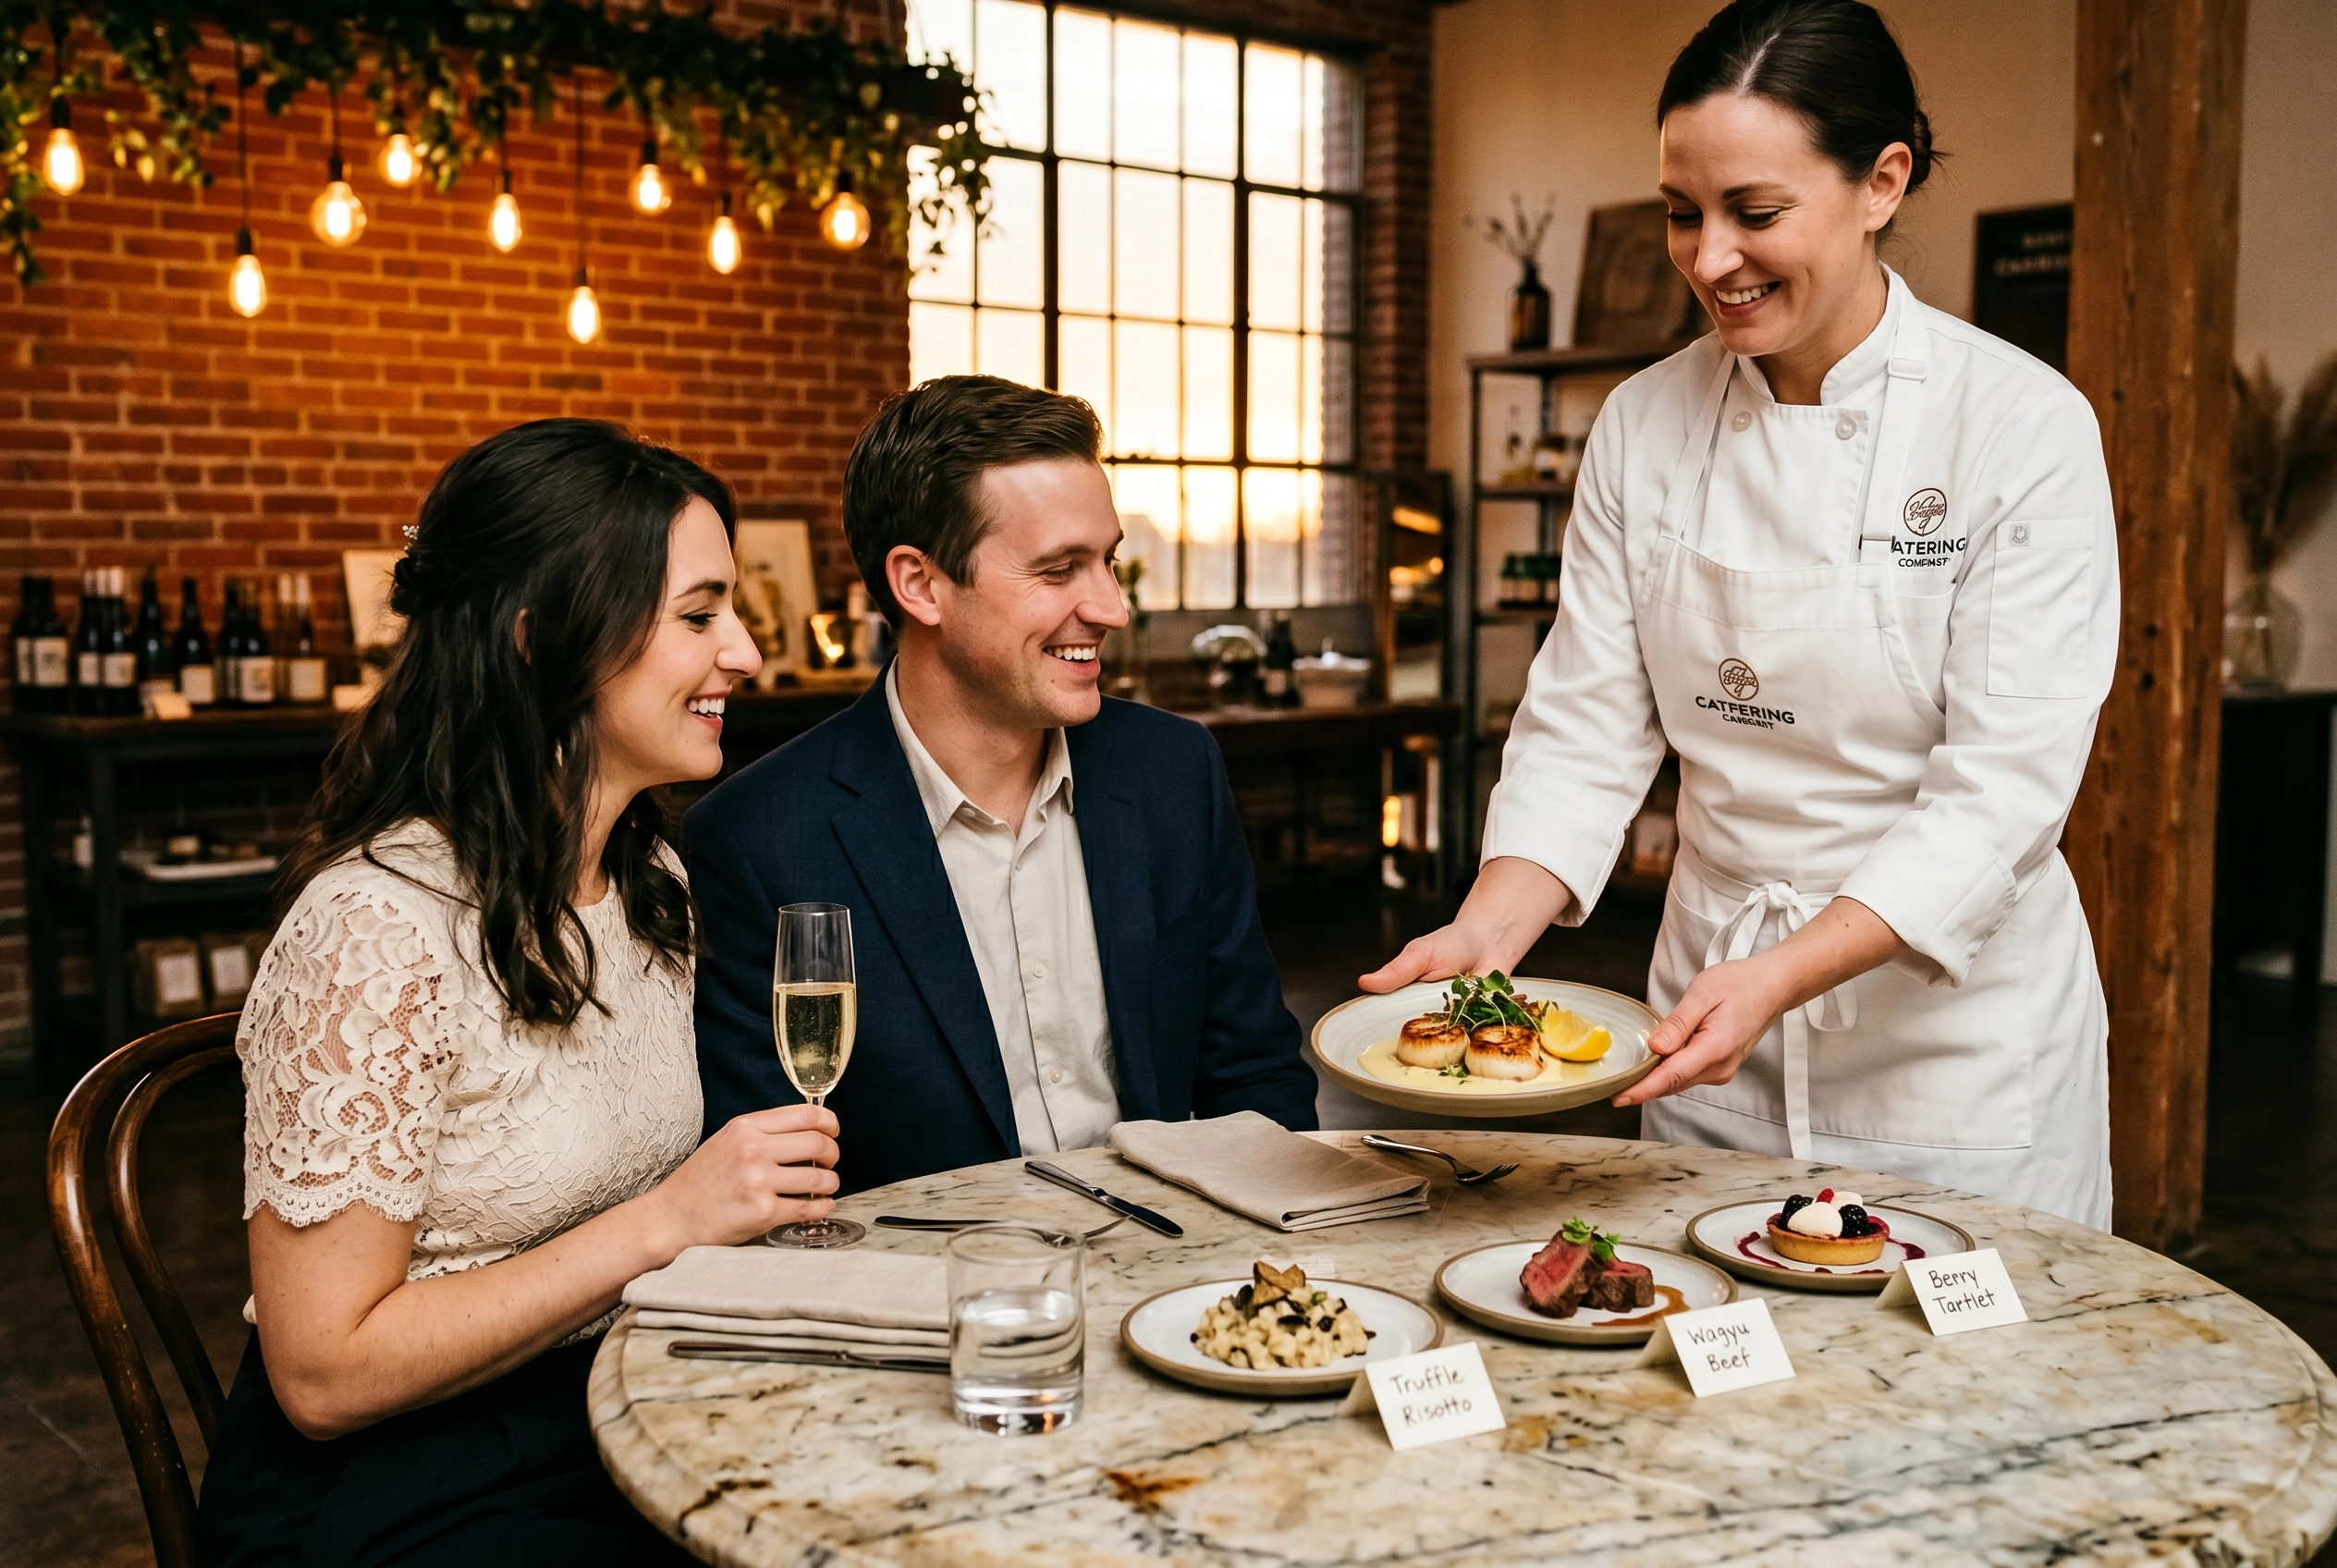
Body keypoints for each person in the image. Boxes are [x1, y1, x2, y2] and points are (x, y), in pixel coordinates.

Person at [1367, 0, 2117, 1228]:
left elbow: (2004, 789)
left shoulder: (2020, 427)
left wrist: (1782, 973)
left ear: (1883, 182)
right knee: (1714, 1375)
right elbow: (1586, 726)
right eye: (1681, 214)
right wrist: (1486, 934)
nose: (1710, 258)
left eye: (1756, 214)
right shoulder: (1643, 423)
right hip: (1711, 1024)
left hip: (1955, 1048)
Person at [198, 420, 841, 1565]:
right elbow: (322, 1372)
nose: (743, 653)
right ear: (544, 639)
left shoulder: (650, 886)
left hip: (614, 1412)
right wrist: (667, 1223)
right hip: (405, 1492)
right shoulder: (375, 928)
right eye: (699, 616)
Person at [690, 375, 1319, 1192]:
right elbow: (775, 1178)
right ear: (921, 584)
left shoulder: (1173, 771)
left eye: (1109, 561)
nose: (1111, 607)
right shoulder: (755, 837)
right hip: (925, 1297)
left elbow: (1256, 1075)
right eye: (1059, 570)